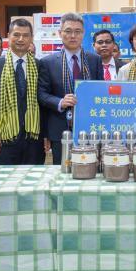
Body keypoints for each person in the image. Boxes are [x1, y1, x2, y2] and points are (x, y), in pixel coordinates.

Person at [38, 13, 103, 164]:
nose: (73, 36)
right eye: (68, 31)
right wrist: (60, 102)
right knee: (63, 170)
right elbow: (41, 94)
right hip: (60, 128)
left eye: (77, 31)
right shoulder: (47, 62)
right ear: (60, 33)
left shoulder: (94, 60)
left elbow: (100, 90)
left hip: (90, 126)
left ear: (83, 33)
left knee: (90, 166)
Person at [0, 19, 44, 165]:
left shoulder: (39, 65)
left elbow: (43, 102)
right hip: (5, 140)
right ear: (8, 36)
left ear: (31, 38)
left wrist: (45, 135)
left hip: (34, 139)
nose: (21, 39)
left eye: (26, 35)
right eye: (16, 34)